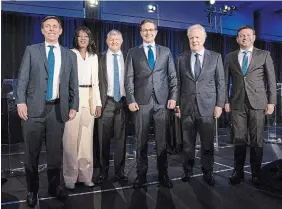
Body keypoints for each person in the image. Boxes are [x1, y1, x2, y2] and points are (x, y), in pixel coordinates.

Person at [16, 16, 79, 207]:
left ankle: (54, 187)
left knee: (54, 153)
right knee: (31, 154)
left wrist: (74, 105)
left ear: (61, 31)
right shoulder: (31, 50)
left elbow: (73, 83)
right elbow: (22, 79)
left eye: (55, 27)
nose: (51, 29)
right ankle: (31, 190)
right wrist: (20, 102)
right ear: (42, 30)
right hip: (33, 109)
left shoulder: (69, 55)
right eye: (47, 26)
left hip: (58, 110)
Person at [125, 19, 178, 188]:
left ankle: (163, 174)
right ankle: (141, 176)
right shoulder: (133, 52)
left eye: (151, 30)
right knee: (141, 141)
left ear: (156, 32)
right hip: (141, 103)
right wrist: (131, 99)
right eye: (145, 30)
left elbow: (173, 77)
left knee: (162, 141)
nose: (148, 33)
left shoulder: (166, 51)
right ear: (141, 33)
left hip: (162, 102)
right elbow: (129, 79)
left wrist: (173, 97)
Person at [225, 25, 276, 185]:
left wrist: (272, 102)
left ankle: (255, 173)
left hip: (258, 103)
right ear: (237, 39)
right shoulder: (230, 57)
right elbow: (224, 82)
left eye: (247, 35)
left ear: (253, 37)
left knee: (256, 141)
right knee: (239, 139)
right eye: (241, 35)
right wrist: (225, 101)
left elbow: (272, 81)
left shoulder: (264, 55)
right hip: (237, 104)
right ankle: (237, 172)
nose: (244, 37)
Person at [176, 24, 225, 186]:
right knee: (188, 143)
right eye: (191, 38)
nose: (194, 40)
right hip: (187, 107)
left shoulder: (216, 57)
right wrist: (177, 104)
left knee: (207, 143)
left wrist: (219, 104)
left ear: (204, 39)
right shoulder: (181, 58)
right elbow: (177, 83)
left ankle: (208, 171)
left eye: (197, 37)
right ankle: (187, 171)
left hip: (208, 107)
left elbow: (220, 83)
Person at [62, 26, 102, 190]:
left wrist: (97, 102)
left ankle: (86, 176)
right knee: (70, 140)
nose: (83, 39)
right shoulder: (70, 54)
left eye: (86, 36)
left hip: (89, 99)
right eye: (80, 36)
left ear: (90, 39)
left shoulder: (93, 56)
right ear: (76, 39)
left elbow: (96, 82)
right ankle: (70, 177)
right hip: (73, 98)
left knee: (86, 141)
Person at [97, 30, 128, 183]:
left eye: (117, 39)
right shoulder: (99, 58)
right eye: (111, 39)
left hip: (122, 103)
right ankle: (103, 172)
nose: (114, 42)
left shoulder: (128, 58)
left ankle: (120, 172)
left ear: (121, 41)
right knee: (104, 141)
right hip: (106, 103)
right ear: (106, 41)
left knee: (121, 140)